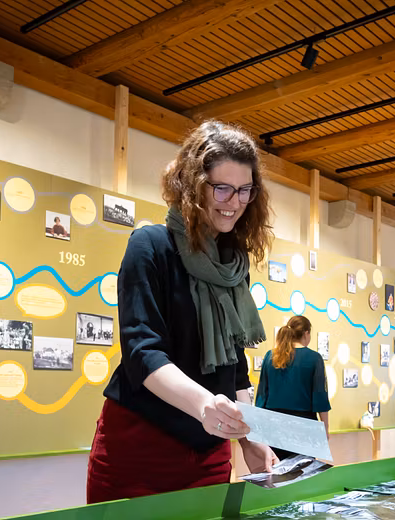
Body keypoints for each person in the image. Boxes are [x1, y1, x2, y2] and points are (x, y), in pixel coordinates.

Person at [86, 120, 278, 503]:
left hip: (208, 451)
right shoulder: (150, 245)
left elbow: (233, 365)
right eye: (221, 187)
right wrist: (205, 405)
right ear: (192, 186)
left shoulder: (231, 262)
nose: (234, 201)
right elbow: (142, 351)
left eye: (244, 190)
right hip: (140, 447)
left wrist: (251, 437)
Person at [254, 315, 331, 460]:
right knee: (302, 475)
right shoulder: (314, 358)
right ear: (306, 333)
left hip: (273, 425)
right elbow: (320, 398)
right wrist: (325, 428)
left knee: (276, 475)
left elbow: (262, 396)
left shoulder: (270, 356)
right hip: (304, 426)